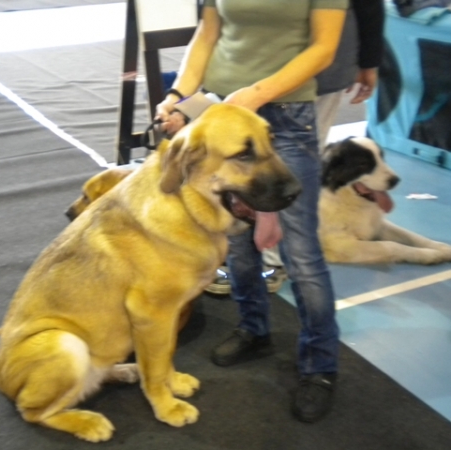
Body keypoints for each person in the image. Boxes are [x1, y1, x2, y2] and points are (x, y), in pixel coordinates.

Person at [155, 0, 348, 423]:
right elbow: (207, 35)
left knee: (301, 254)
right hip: (220, 112)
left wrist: (256, 95)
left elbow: (324, 48)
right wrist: (177, 96)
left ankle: (320, 366)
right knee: (238, 245)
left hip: (282, 113)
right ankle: (254, 328)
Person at [262, 0, 385, 294]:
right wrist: (368, 61)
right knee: (277, 166)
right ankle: (269, 258)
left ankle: (274, 259)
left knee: (292, 168)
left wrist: (368, 60)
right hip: (260, 66)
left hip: (314, 68)